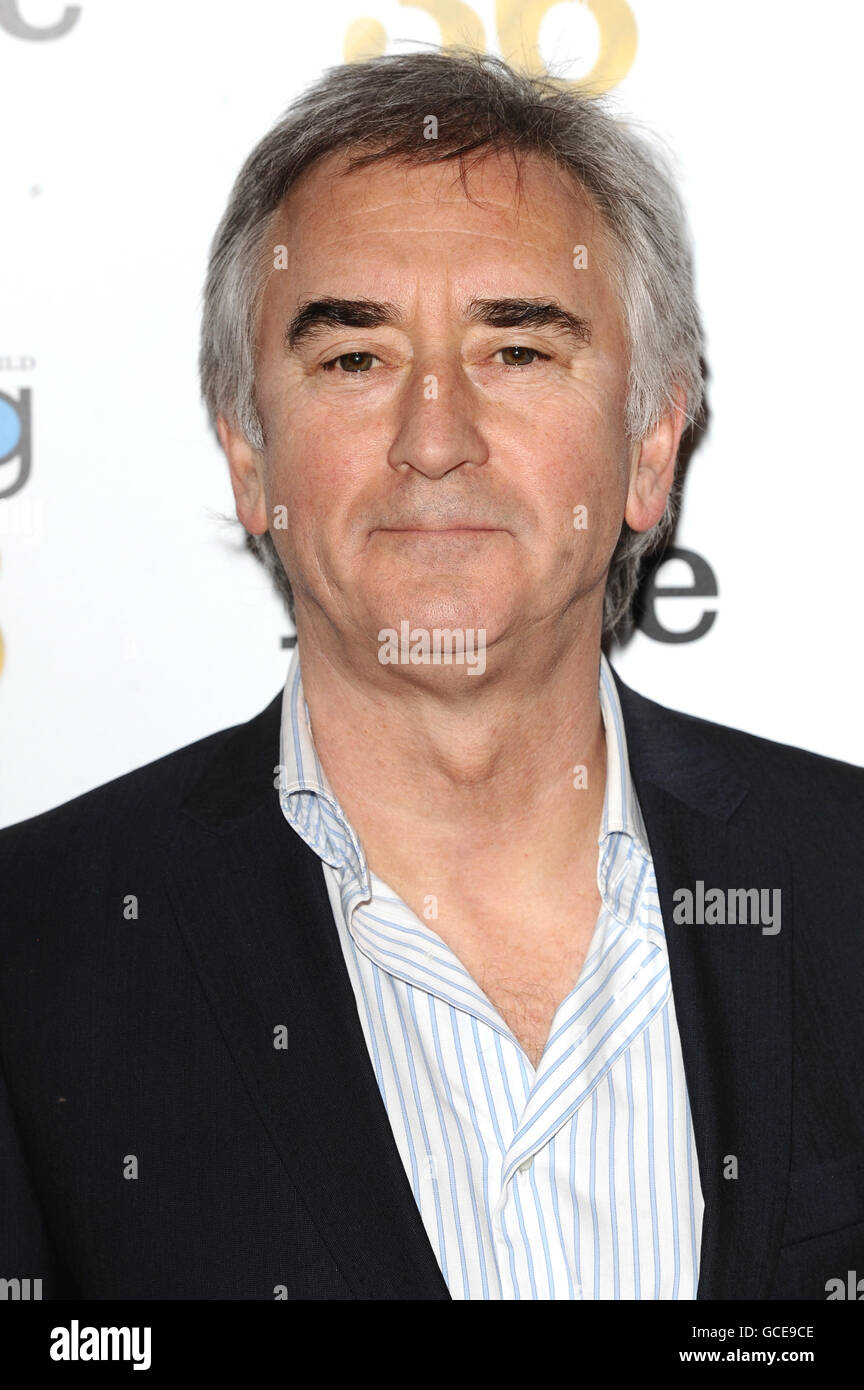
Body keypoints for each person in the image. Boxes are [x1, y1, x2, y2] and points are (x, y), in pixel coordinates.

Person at [1, 49, 862, 1302]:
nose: (436, 439)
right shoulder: (33, 956)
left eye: (516, 351)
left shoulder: (844, 882)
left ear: (651, 446)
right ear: (250, 458)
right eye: (356, 360)